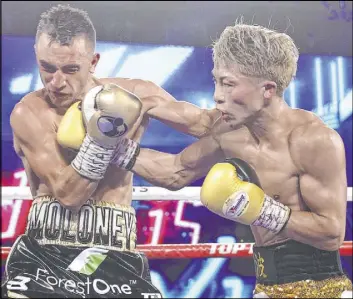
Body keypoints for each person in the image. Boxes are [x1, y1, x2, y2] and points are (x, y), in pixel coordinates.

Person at [2, 4, 219, 299]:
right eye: (47, 67)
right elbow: (69, 194)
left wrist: (248, 103)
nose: (56, 82)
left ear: (93, 61)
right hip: (45, 255)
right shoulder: (29, 112)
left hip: (116, 256)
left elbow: (208, 126)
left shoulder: (137, 94)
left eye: (70, 69)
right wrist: (103, 139)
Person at [127, 23, 353, 298]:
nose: (217, 95)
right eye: (216, 80)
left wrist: (262, 210)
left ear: (267, 89)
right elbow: (176, 172)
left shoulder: (314, 140)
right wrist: (112, 150)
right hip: (266, 286)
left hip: (321, 290)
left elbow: (331, 232)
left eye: (228, 83)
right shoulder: (230, 133)